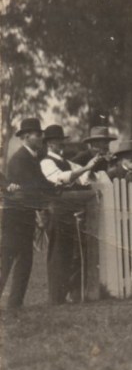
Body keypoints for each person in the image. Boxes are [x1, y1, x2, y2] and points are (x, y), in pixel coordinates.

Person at [1, 118, 55, 309]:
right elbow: (35, 186)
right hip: (15, 216)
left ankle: (15, 304)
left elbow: (41, 183)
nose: (42, 138)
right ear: (26, 137)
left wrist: (60, 186)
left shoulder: (30, 157)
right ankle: (14, 304)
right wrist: (54, 190)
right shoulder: (20, 159)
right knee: (8, 259)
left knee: (23, 260)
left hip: (23, 215)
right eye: (38, 134)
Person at [39, 125, 95, 305]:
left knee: (70, 253)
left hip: (68, 210)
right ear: (48, 143)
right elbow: (61, 178)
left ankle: (68, 294)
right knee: (58, 252)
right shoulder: (46, 162)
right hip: (55, 210)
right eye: (55, 141)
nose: (59, 143)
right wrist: (85, 168)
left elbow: (83, 177)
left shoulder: (66, 161)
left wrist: (91, 167)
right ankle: (56, 298)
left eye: (61, 140)